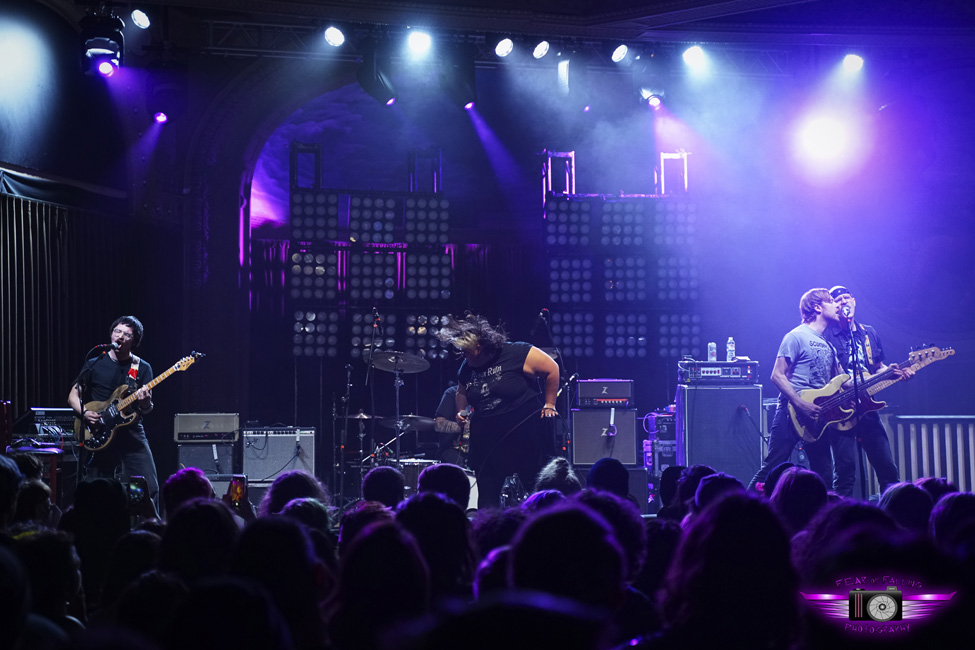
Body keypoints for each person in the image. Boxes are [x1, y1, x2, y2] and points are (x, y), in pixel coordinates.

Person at [437, 314, 559, 509]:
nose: (464, 357)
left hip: (523, 431)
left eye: (467, 352)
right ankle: (488, 525)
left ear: (479, 348)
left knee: (535, 486)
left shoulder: (517, 352)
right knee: (487, 494)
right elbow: (461, 391)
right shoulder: (467, 367)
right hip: (488, 436)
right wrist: (461, 411)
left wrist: (549, 404)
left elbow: (552, 369)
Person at [748, 288, 842, 493]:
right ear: (818, 307)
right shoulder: (796, 336)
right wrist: (800, 404)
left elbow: (842, 382)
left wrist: (888, 375)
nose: (838, 305)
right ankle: (743, 507)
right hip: (791, 411)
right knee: (772, 468)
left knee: (824, 474)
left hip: (818, 415)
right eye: (832, 301)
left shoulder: (830, 346)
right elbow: (777, 375)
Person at [824, 285, 914, 497]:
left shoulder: (868, 333)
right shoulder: (827, 334)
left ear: (854, 301)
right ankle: (839, 516)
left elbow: (878, 368)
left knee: (887, 469)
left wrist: (897, 373)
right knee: (845, 474)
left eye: (846, 297)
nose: (843, 301)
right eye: (838, 300)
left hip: (868, 408)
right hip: (841, 410)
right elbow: (824, 374)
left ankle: (891, 513)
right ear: (833, 307)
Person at [68, 316, 159, 509]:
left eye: (127, 334)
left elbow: (146, 409)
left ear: (134, 341)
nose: (120, 336)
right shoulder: (94, 363)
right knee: (98, 489)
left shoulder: (142, 367)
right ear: (111, 334)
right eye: (117, 331)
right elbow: (73, 396)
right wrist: (85, 413)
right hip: (99, 430)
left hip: (131, 432)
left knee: (147, 487)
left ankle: (147, 523)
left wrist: (145, 401)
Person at [433, 384, 468, 467]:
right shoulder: (451, 393)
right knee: (456, 463)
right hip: (452, 449)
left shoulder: (486, 396)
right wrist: (466, 427)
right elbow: (438, 425)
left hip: (477, 450)